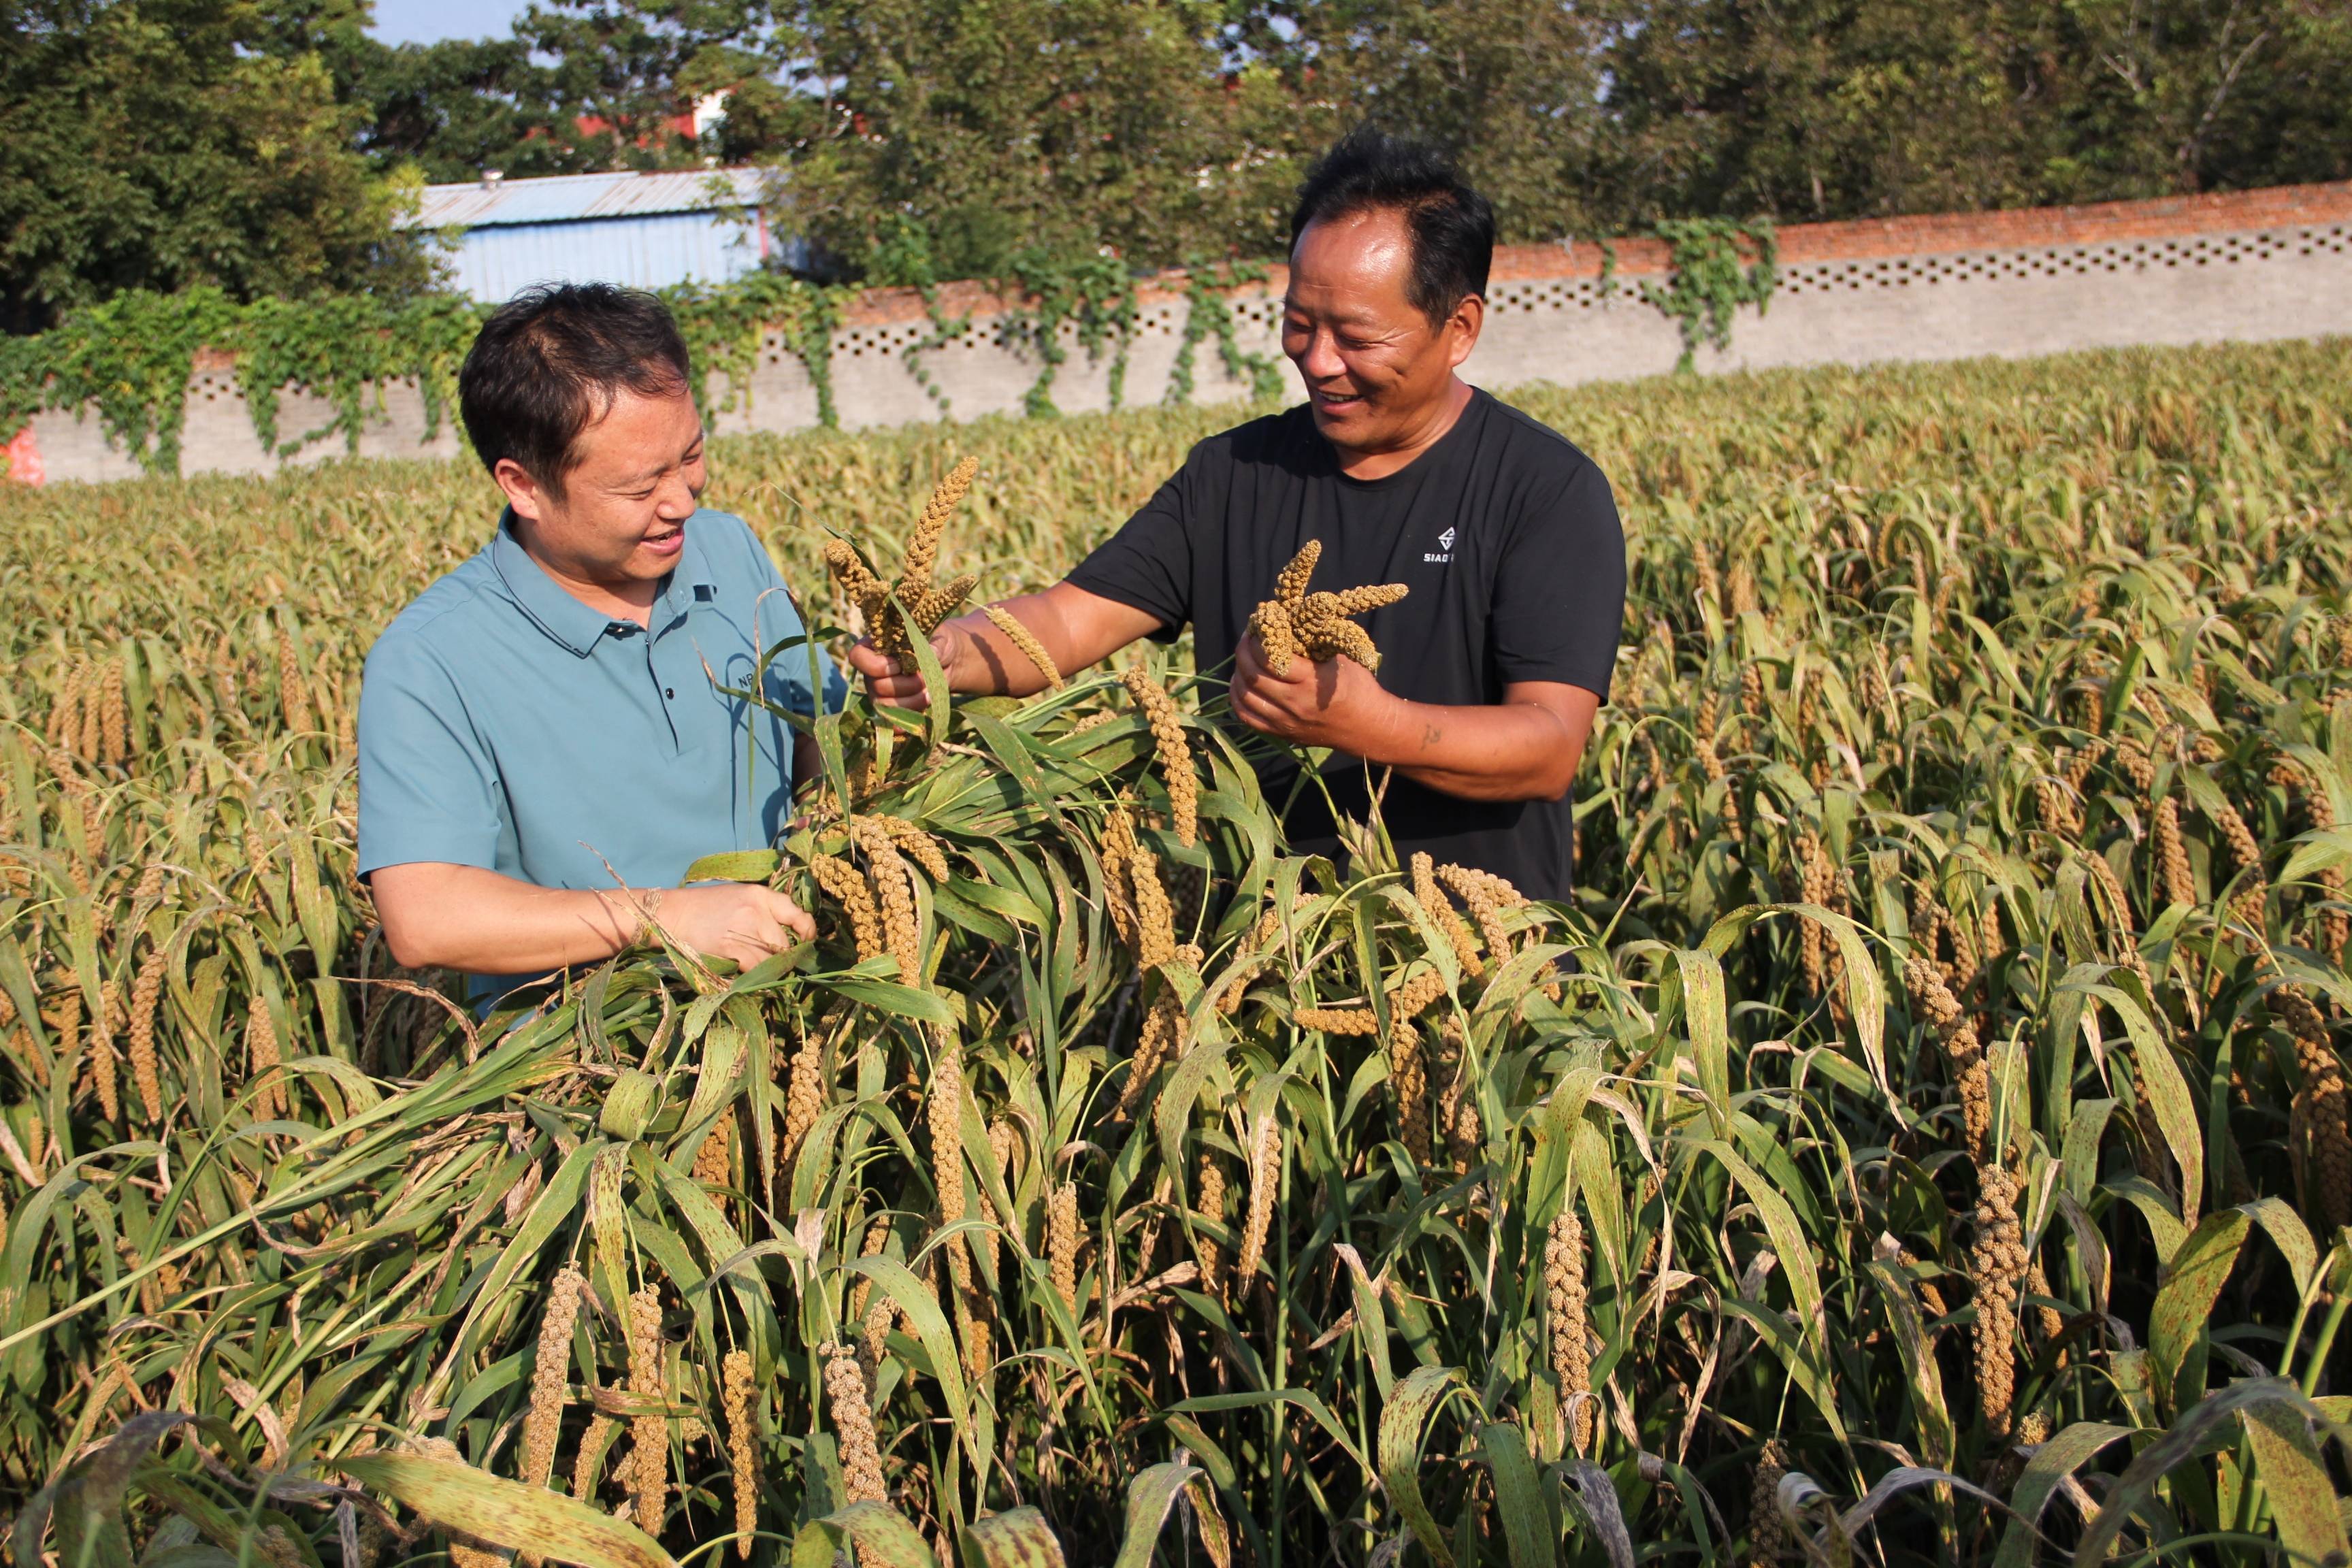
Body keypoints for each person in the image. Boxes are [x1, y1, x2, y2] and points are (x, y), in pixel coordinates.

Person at [849, 128, 1625, 900]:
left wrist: (1367, 722)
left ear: (1459, 329)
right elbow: (1064, 622)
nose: (1319, 361)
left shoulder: (1544, 490)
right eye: (1300, 325)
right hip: (1262, 969)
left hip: (1476, 981)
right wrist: (946, 653)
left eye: (1356, 337)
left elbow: (1549, 746)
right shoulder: (1234, 473)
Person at [357, 283, 841, 998]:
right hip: (594, 1073)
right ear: (524, 487)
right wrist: (668, 919)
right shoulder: (430, 660)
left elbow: (816, 738)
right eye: (639, 487)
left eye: (691, 456)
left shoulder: (728, 548)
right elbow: (426, 917)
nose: (682, 500)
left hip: (795, 1019)